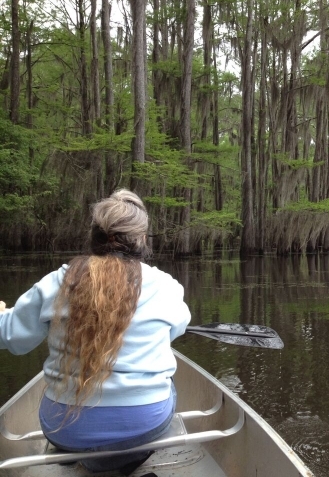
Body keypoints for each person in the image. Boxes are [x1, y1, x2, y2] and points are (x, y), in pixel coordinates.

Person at [0, 189, 191, 474]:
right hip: (143, 426)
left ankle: (82, 454)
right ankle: (122, 460)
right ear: (141, 239)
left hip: (64, 429)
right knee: (170, 384)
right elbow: (176, 331)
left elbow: (12, 339)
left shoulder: (56, 282)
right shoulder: (166, 287)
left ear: (94, 235)